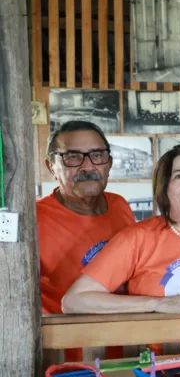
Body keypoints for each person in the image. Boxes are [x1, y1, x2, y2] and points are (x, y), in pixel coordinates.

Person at [62, 144, 180, 355]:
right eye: (179, 176)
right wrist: (156, 303)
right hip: (152, 366)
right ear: (164, 187)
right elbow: (74, 301)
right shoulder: (137, 238)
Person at [38, 120, 135, 361]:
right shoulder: (34, 218)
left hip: (128, 345)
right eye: (72, 157)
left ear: (109, 163)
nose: (87, 166)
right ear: (51, 166)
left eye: (97, 155)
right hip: (67, 355)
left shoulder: (119, 205)